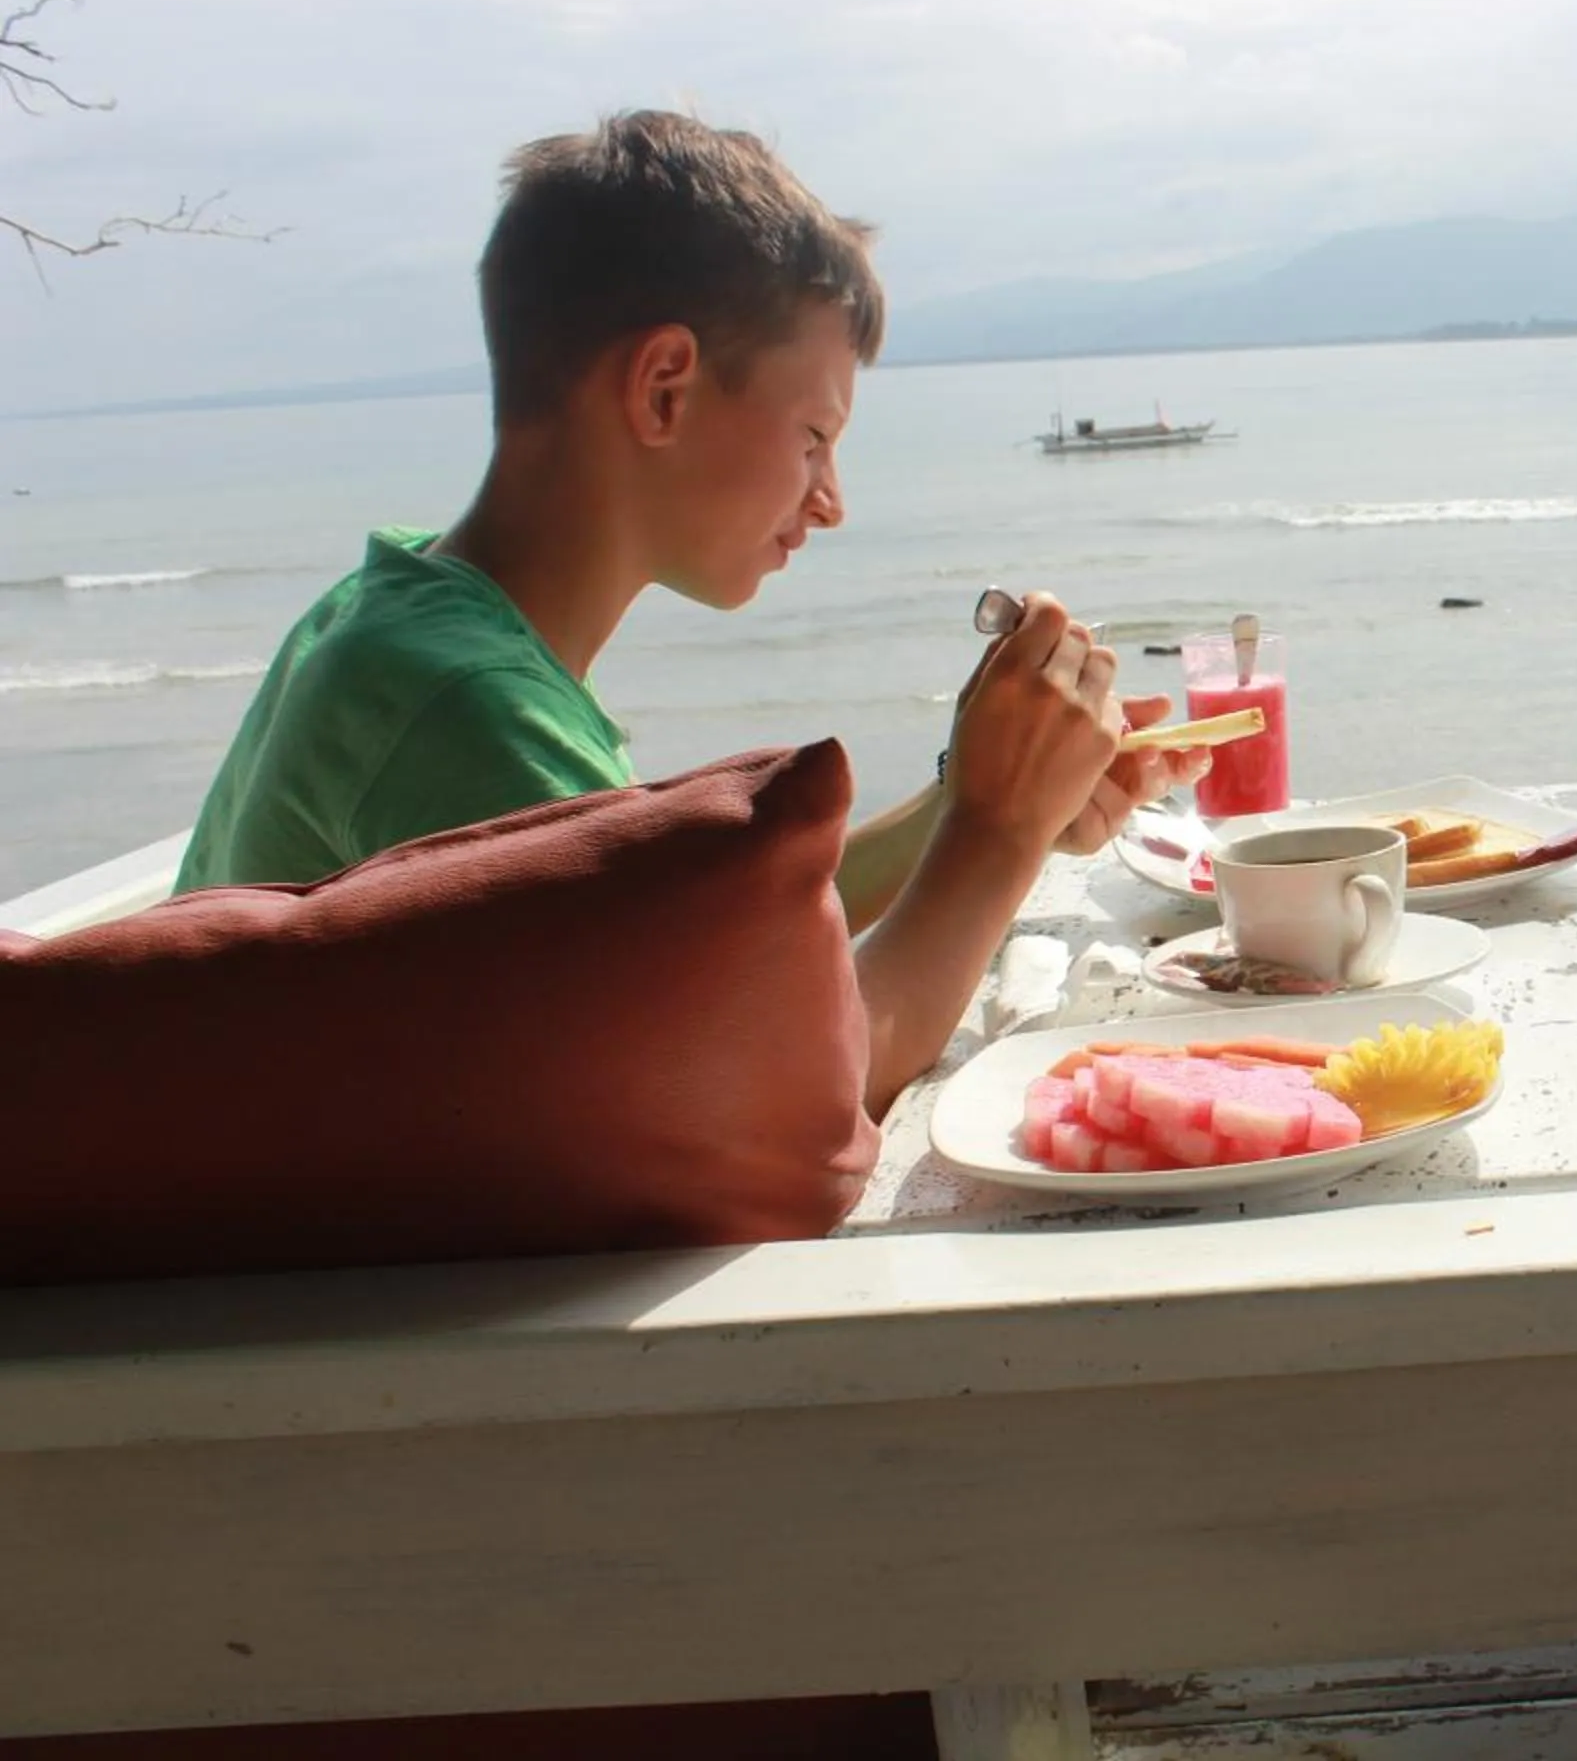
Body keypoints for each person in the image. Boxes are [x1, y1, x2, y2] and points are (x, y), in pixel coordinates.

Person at [175, 111, 1210, 1110]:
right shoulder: (459, 706)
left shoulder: (397, 616)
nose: (832, 500)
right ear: (665, 386)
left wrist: (980, 795)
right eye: (813, 435)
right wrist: (997, 831)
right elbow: (799, 1101)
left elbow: (705, 934)